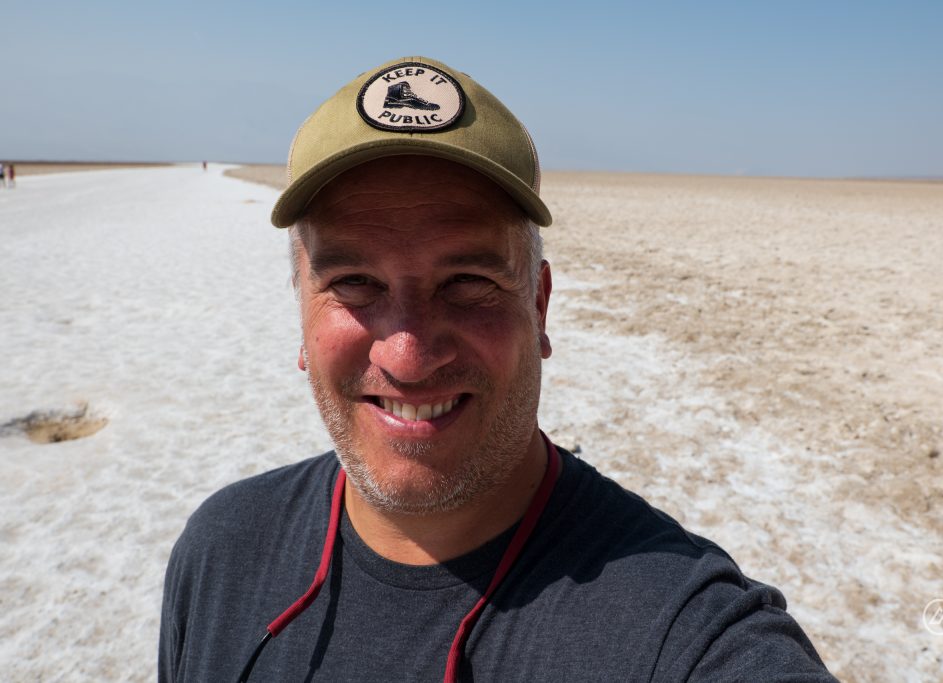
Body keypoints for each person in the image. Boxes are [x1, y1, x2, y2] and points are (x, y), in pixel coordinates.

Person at [160, 56, 837, 682]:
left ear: (538, 307)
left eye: (467, 282)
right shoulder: (222, 552)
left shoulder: (681, 631)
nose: (408, 355)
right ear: (301, 312)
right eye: (355, 282)